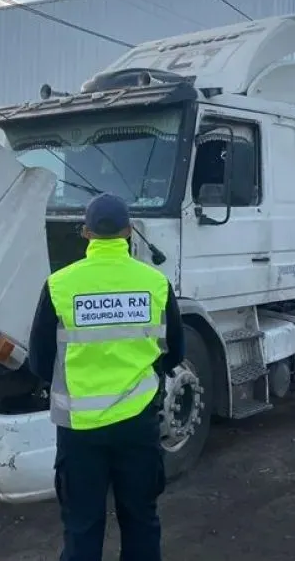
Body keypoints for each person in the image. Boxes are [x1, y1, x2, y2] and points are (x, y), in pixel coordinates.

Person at [27, 193, 185, 561]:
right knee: (141, 521)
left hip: (79, 430)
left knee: (82, 527)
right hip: (138, 425)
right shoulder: (155, 284)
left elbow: (39, 360)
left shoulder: (59, 285)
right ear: (129, 232)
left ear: (86, 233)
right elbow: (175, 353)